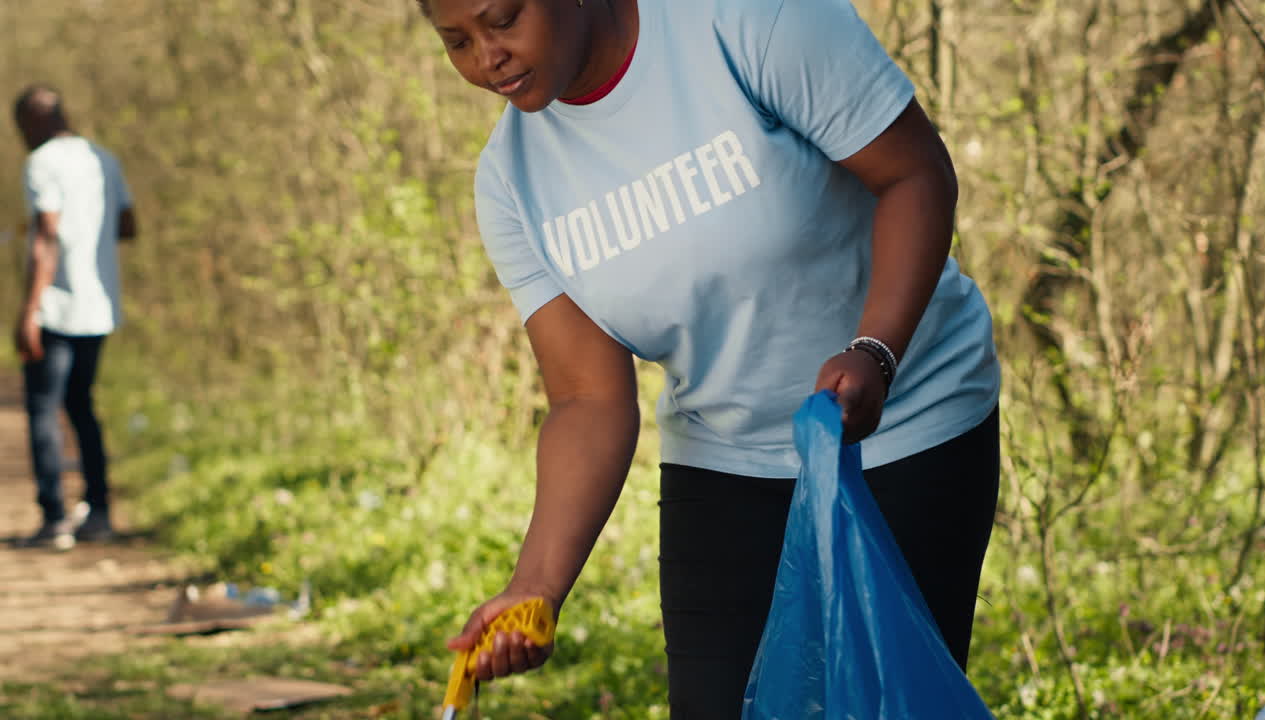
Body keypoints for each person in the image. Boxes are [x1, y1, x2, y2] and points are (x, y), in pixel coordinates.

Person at [419, 0, 1001, 715]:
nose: (487, 56)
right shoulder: (510, 183)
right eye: (456, 41)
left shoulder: (748, 21)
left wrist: (876, 350)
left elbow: (914, 176)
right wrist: (533, 587)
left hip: (907, 426)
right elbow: (586, 399)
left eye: (502, 19)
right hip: (725, 460)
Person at [12, 86, 136, 548]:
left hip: (57, 305)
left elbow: (46, 234)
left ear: (31, 122)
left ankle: (55, 517)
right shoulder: (102, 158)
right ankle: (99, 511)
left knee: (44, 409)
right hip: (99, 306)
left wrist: (29, 310)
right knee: (82, 407)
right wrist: (91, 240)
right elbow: (127, 224)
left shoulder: (42, 161)